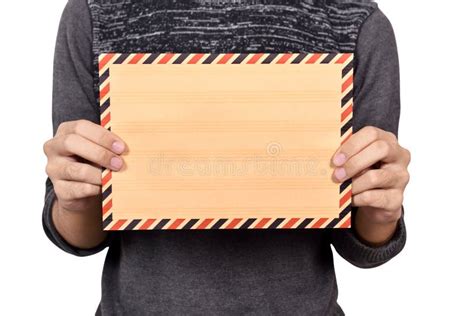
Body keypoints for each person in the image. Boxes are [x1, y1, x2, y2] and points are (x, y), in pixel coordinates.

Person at [42, 0, 410, 314]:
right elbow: (82, 233)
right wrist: (74, 200)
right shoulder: (96, 12)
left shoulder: (353, 21)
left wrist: (381, 211)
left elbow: (361, 242)